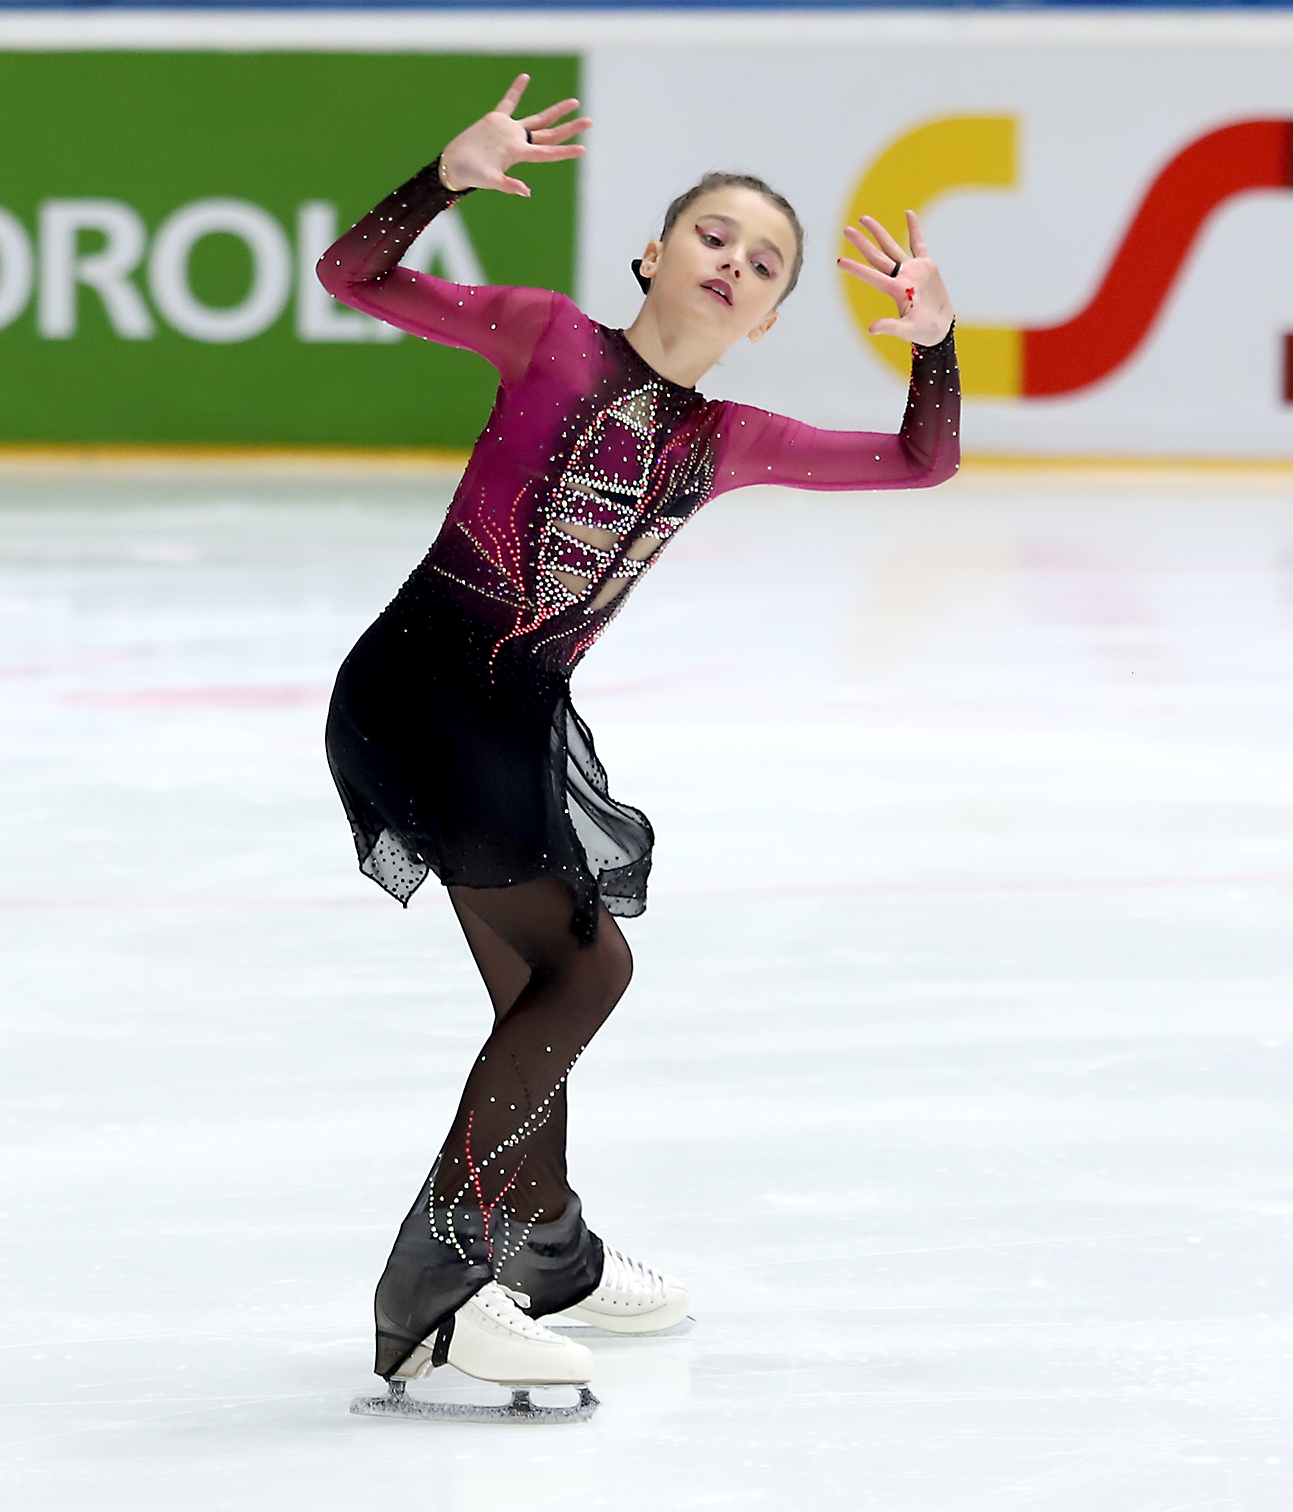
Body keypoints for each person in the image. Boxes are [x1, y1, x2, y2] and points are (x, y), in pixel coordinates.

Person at [321, 75, 960, 1420]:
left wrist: (934, 345)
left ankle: (543, 1253)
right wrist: (443, 176)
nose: (737, 262)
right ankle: (430, 1299)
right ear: (655, 256)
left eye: (768, 262)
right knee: (586, 966)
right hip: (425, 689)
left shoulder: (731, 442)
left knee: (536, 985)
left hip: (508, 723)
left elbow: (921, 463)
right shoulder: (541, 332)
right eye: (716, 235)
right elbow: (353, 271)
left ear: (775, 316)